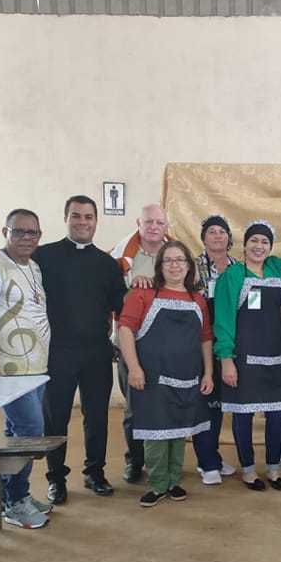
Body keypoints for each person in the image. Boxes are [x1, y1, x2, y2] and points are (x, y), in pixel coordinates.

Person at [37, 196, 127, 504]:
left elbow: (123, 307)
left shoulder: (107, 264)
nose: (82, 222)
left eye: (88, 217)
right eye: (76, 216)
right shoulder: (42, 256)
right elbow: (14, 269)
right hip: (57, 352)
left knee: (98, 416)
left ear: (96, 221)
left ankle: (95, 473)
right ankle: (56, 479)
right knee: (55, 419)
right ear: (66, 218)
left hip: (96, 352)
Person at [0, 209, 52, 529]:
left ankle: (9, 496)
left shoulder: (34, 267)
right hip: (7, 374)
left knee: (16, 434)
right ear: (5, 232)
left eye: (33, 232)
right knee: (30, 432)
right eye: (19, 231)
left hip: (35, 370)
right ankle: (16, 502)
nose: (27, 238)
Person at [119, 242, 213, 507]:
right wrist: (134, 368)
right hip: (152, 378)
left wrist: (208, 373)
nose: (175, 265)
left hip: (188, 377)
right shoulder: (143, 294)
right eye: (168, 260)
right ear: (159, 266)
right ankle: (158, 483)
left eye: (180, 260)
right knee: (156, 432)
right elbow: (125, 329)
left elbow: (206, 338)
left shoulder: (197, 300)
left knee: (179, 430)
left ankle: (174, 481)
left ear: (189, 266)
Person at [214, 221, 281, 491]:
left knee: (276, 416)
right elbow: (223, 319)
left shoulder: (276, 268)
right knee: (244, 415)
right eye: (254, 241)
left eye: (265, 242)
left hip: (275, 356)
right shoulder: (232, 275)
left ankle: (273, 468)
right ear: (245, 244)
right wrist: (226, 359)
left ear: (271, 247)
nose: (259, 246)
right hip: (243, 358)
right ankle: (249, 470)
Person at [111, 204, 172, 484]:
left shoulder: (176, 254)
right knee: (134, 408)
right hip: (132, 342)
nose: (154, 227)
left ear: (166, 226)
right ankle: (135, 461)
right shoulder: (121, 256)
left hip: (168, 344)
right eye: (149, 222)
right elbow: (109, 293)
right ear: (139, 223)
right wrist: (131, 286)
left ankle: (165, 461)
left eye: (159, 222)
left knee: (167, 403)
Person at [192, 215, 239, 485]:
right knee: (206, 403)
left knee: (220, 404)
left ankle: (214, 457)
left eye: (222, 231)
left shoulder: (237, 267)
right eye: (212, 231)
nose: (218, 236)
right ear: (204, 238)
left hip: (228, 340)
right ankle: (206, 462)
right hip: (201, 341)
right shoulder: (193, 266)